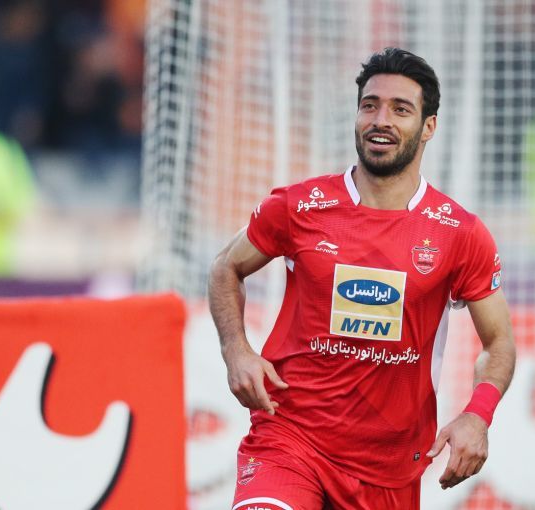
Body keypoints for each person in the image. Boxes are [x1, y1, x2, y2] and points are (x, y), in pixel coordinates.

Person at [208, 47, 516, 510]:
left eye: (400, 109)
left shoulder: (459, 233)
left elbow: (499, 343)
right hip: (289, 438)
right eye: (370, 105)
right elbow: (225, 267)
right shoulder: (299, 206)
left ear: (429, 126)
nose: (380, 120)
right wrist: (236, 350)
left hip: (386, 468)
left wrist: (478, 415)